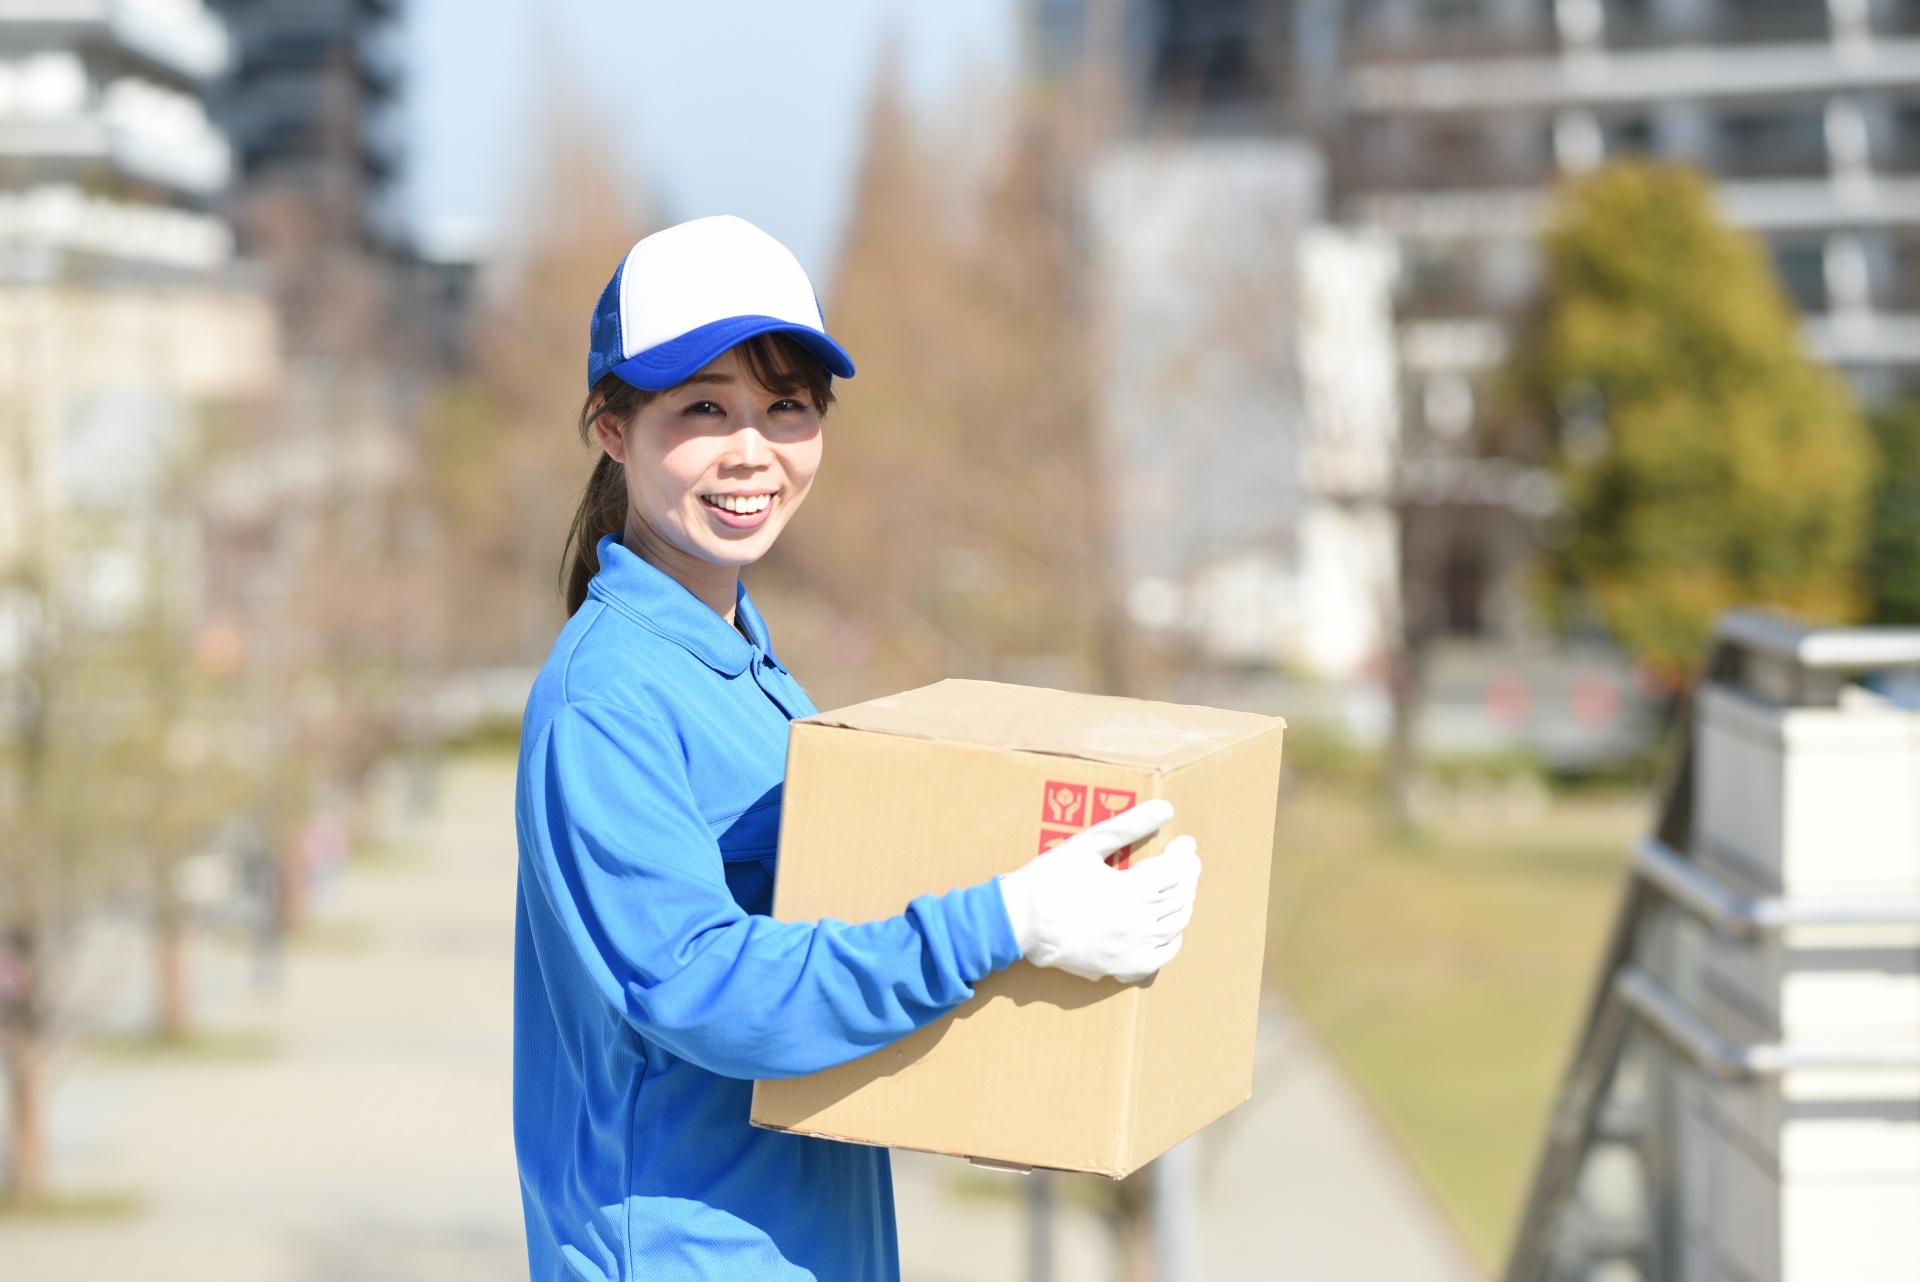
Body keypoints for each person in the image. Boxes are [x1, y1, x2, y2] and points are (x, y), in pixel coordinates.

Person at [513, 215, 1203, 1282]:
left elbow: (833, 939)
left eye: (786, 406)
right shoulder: (608, 695)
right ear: (612, 426)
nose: (753, 450)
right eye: (704, 407)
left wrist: (1066, 917)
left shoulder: (744, 666)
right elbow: (703, 987)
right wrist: (1006, 920)